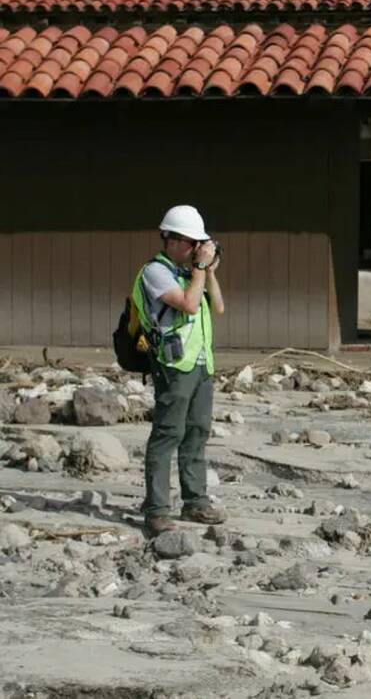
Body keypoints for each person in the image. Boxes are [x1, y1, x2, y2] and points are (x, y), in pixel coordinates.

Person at [133, 205, 226, 536]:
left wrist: (208, 271)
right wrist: (200, 268)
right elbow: (187, 304)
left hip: (200, 364)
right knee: (168, 433)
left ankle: (195, 501)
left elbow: (218, 306)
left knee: (197, 431)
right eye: (192, 242)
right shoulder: (154, 273)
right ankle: (157, 509)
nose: (196, 249)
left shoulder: (191, 274)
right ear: (171, 240)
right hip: (173, 365)